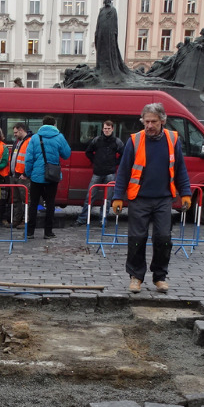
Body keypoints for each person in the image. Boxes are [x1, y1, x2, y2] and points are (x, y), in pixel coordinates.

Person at [112, 103, 191, 294]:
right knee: (137, 239)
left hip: (163, 198)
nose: (149, 125)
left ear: (162, 121)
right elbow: (123, 171)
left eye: (153, 121)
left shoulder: (172, 140)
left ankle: (160, 277)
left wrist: (186, 192)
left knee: (163, 238)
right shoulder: (135, 141)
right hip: (139, 199)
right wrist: (118, 197)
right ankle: (136, 277)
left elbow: (180, 169)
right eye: (146, 121)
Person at [24, 116, 71, 239]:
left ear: (42, 124)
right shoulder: (59, 137)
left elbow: (28, 159)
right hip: (52, 176)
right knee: (50, 204)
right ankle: (48, 232)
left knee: (33, 204)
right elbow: (66, 154)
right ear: (54, 125)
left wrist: (29, 173)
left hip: (36, 177)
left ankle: (30, 232)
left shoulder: (34, 138)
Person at [77, 120, 123, 225]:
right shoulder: (97, 140)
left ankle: (103, 219)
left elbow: (123, 154)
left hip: (110, 173)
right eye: (105, 128)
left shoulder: (117, 141)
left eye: (108, 128)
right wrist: (95, 161)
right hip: (97, 172)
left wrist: (115, 163)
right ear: (102, 129)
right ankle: (83, 218)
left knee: (107, 199)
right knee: (90, 196)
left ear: (112, 129)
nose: (106, 130)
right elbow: (88, 152)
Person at [7, 123, 33, 228]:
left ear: (21, 130)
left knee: (26, 200)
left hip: (23, 176)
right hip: (15, 175)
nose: (14, 134)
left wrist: (26, 173)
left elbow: (30, 159)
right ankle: (17, 220)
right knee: (16, 200)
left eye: (16, 132)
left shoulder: (29, 141)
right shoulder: (18, 142)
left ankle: (25, 221)